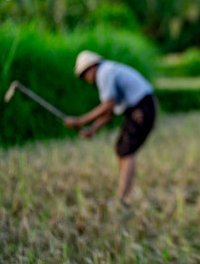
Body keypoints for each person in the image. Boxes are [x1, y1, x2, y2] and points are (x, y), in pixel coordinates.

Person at [64, 51, 157, 206]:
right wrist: (93, 129)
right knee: (121, 148)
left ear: (91, 67)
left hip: (142, 108)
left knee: (127, 150)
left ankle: (122, 197)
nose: (85, 79)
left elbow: (108, 105)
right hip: (139, 107)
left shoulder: (104, 72)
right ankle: (127, 192)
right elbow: (110, 111)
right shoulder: (108, 71)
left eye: (83, 74)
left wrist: (80, 121)